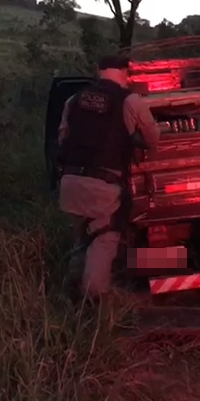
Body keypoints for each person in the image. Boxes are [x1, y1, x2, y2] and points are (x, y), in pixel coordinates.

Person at [58, 54, 160, 303]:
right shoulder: (130, 101)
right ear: (125, 73)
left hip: (69, 183)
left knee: (82, 236)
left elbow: (62, 139)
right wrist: (133, 139)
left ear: (98, 70)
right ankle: (94, 305)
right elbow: (153, 139)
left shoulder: (74, 100)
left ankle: (69, 291)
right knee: (104, 238)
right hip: (103, 186)